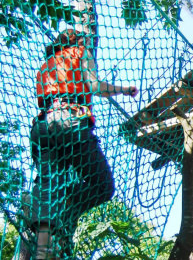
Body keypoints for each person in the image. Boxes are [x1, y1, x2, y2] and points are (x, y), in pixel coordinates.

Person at [30, 29, 138, 259]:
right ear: (79, 41)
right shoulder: (80, 52)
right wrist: (124, 90)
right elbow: (95, 86)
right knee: (103, 186)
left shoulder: (46, 65)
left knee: (49, 188)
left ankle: (42, 250)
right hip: (69, 123)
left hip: (42, 126)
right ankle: (67, 202)